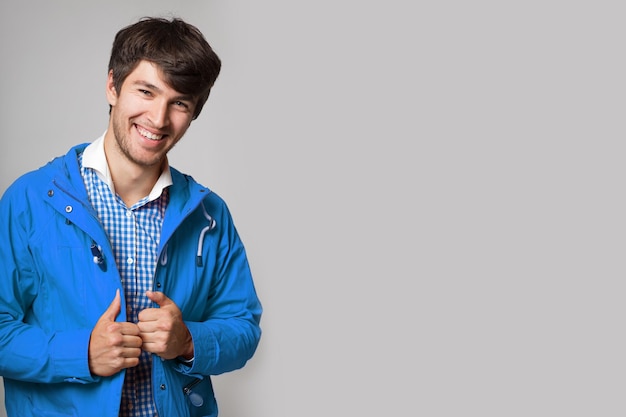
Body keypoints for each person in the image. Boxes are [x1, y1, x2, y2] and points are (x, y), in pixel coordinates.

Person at [0, 17, 262, 417]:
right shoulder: (30, 200)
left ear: (194, 113)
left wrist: (189, 341)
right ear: (112, 86)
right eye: (146, 91)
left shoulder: (210, 215)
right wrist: (81, 354)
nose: (158, 119)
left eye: (179, 103)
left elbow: (243, 327)